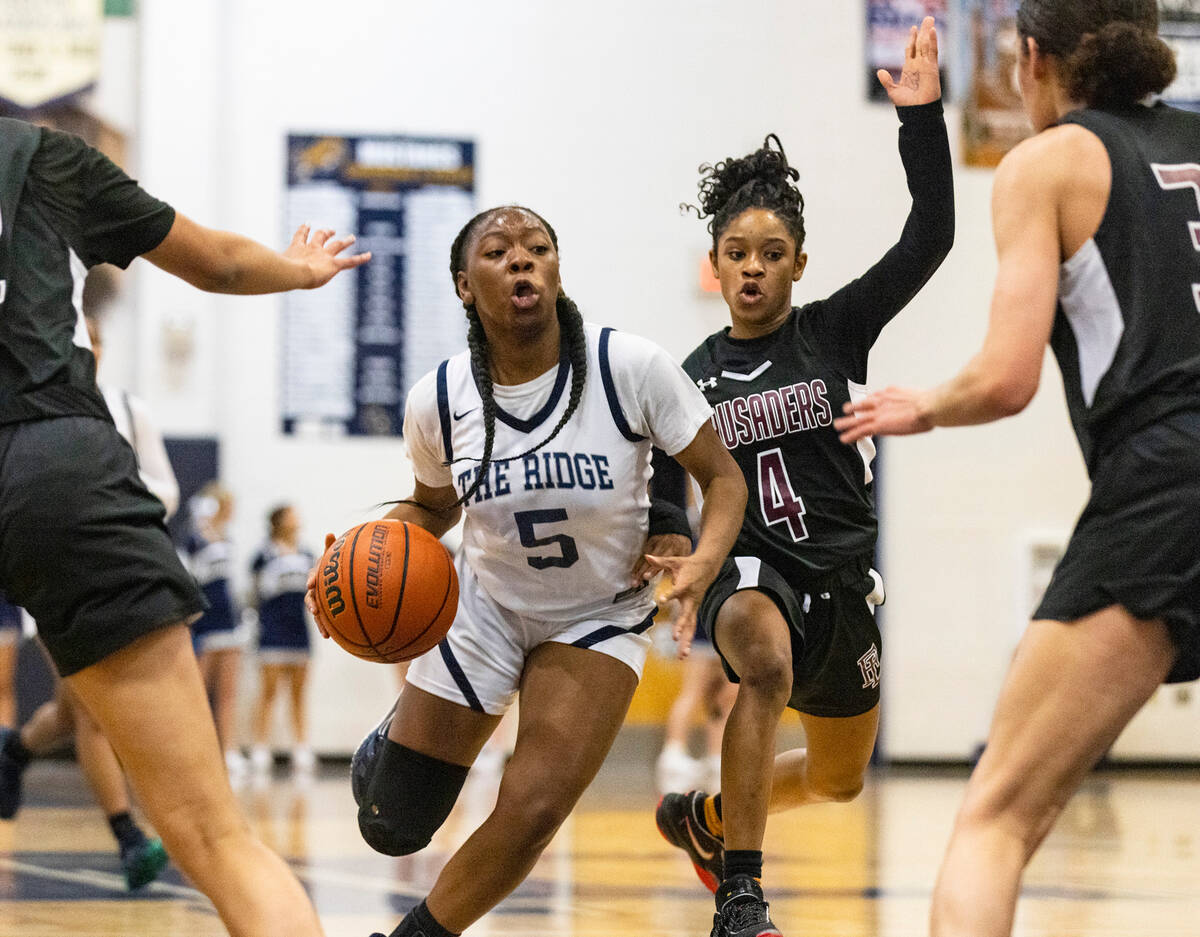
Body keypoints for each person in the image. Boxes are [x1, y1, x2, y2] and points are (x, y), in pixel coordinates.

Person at [835, 4, 1197, 936]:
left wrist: (922, 404)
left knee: (995, 817)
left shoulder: (1050, 163)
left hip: (1169, 482)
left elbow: (1006, 378)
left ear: (1031, 58)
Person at [305, 204, 747, 937]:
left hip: (598, 611)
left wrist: (703, 556)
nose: (522, 259)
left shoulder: (627, 365)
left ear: (556, 271)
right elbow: (432, 507)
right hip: (486, 604)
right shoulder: (438, 400)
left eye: (538, 247)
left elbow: (722, 477)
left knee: (533, 806)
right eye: (499, 250)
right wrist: (346, 563)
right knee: (392, 824)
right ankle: (393, 740)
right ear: (463, 285)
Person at [0, 114, 368, 937]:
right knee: (212, 832)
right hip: (57, 465)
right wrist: (301, 270)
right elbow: (220, 263)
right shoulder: (44, 155)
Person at [654, 17, 954, 937]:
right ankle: (741, 896)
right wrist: (674, 539)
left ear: (799, 264)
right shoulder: (688, 372)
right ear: (716, 264)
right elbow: (664, 472)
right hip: (752, 572)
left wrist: (922, 120)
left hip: (841, 580)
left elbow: (931, 237)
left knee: (837, 778)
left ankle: (708, 823)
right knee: (764, 660)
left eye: (771, 254)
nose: (752, 268)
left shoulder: (830, 332)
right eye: (737, 254)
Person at [0, 309, 182, 890]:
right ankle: (129, 838)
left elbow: (167, 489)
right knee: (96, 714)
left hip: (123, 568)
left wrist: (112, 498)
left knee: (75, 710)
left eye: (94, 338)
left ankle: (15, 750)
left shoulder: (129, 410)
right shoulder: (27, 411)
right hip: (56, 577)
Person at [184, 481, 249, 776]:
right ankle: (195, 751)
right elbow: (189, 581)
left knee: (227, 695)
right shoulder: (194, 541)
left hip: (231, 624)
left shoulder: (230, 540)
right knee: (197, 694)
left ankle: (228, 751)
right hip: (205, 624)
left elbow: (234, 585)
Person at [249, 503, 316, 775]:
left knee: (299, 694)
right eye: (291, 514)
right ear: (278, 521)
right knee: (268, 692)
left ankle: (301, 748)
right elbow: (253, 593)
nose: (297, 519)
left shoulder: (307, 553)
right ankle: (260, 747)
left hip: (299, 631)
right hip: (272, 632)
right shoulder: (263, 555)